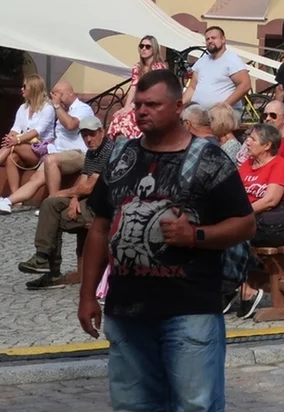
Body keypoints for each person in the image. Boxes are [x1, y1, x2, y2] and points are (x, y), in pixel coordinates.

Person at [77, 69, 255, 411]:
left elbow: (245, 225)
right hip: (126, 309)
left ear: (177, 107)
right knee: (132, 405)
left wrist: (196, 235)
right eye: (139, 104)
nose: (142, 111)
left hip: (189, 310)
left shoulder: (208, 158)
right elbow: (99, 227)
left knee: (194, 405)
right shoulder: (120, 156)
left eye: (153, 104)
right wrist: (87, 297)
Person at [18, 117, 113, 290]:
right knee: (50, 204)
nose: (88, 139)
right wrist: (74, 198)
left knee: (53, 213)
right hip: (88, 200)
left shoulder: (108, 150)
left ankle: (52, 270)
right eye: (84, 135)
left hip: (102, 207)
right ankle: (42, 258)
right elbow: (83, 184)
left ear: (102, 131)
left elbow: (89, 187)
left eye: (91, 134)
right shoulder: (92, 152)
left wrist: (60, 193)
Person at [231, 123, 284, 318]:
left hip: (271, 222)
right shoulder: (247, 165)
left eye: (252, 139)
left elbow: (270, 200)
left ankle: (244, 288)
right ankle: (232, 286)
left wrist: (241, 213)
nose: (247, 142)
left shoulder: (280, 164)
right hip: (249, 218)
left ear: (267, 145)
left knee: (231, 234)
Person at [0, 74, 55, 209]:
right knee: (11, 158)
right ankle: (15, 198)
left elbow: (37, 131)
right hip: (24, 148)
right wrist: (11, 137)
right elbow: (16, 127)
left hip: (41, 150)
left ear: (33, 88)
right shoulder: (23, 108)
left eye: (25, 86)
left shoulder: (47, 108)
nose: (22, 89)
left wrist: (16, 140)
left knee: (14, 147)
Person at [108, 35, 169, 140]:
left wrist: (132, 106)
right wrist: (126, 108)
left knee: (127, 119)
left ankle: (130, 143)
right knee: (119, 117)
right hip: (139, 103)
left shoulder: (159, 68)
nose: (144, 49)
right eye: (141, 46)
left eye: (148, 47)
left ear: (154, 49)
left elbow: (152, 91)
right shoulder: (137, 67)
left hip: (152, 103)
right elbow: (133, 87)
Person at [183, 26, 252, 110]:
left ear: (223, 39)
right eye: (207, 39)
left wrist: (224, 106)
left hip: (224, 114)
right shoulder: (201, 61)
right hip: (199, 113)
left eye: (213, 38)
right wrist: (181, 106)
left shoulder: (232, 60)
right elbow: (192, 88)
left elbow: (245, 85)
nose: (210, 41)